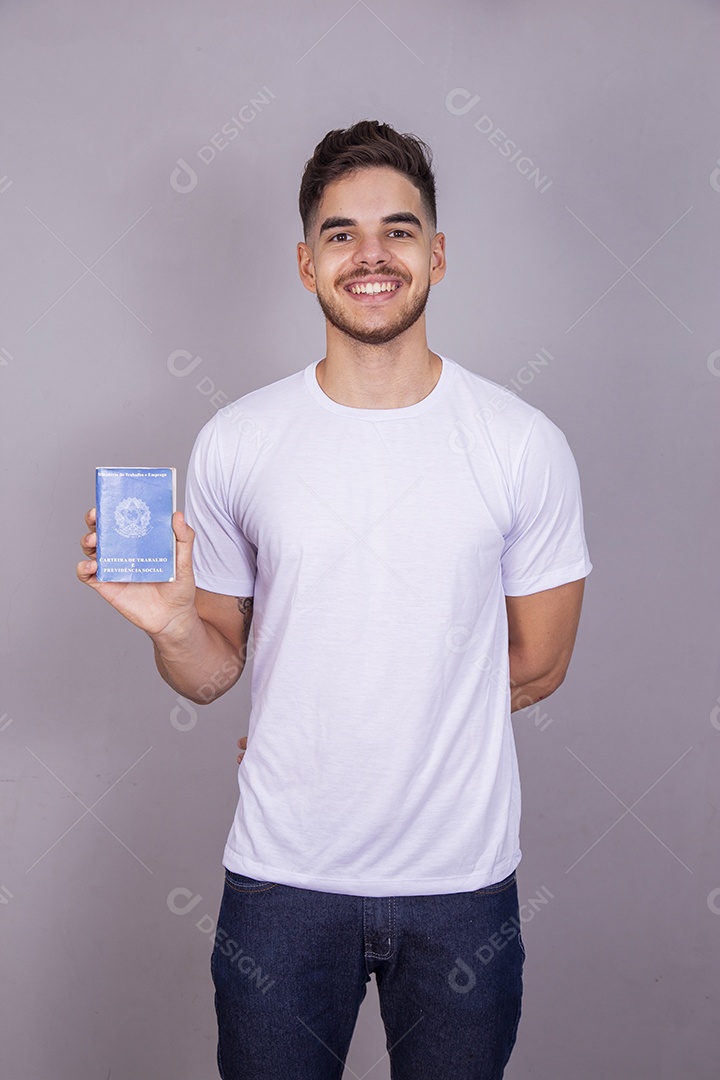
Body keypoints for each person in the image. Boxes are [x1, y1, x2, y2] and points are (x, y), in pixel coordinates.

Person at [78, 120, 592, 1080]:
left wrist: (387, 726)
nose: (372, 256)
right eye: (341, 234)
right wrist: (178, 625)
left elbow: (541, 660)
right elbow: (211, 672)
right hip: (281, 891)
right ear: (307, 264)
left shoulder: (522, 443)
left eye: (399, 231)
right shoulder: (239, 439)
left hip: (461, 892)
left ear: (436, 254)